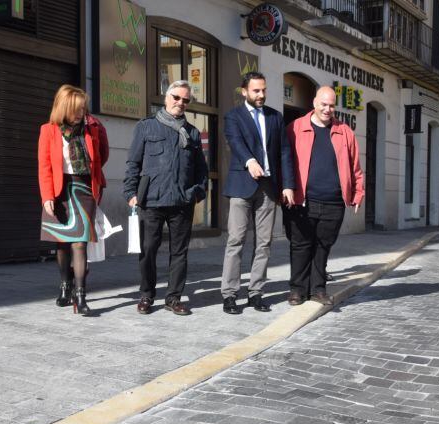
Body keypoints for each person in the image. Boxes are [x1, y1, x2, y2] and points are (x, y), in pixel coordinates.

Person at [123, 80, 208, 315]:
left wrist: (196, 193)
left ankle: (173, 298)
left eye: (185, 100)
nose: (180, 103)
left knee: (179, 253)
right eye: (176, 97)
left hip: (182, 202)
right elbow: (133, 163)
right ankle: (147, 295)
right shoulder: (146, 127)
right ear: (166, 97)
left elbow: (201, 170)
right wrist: (130, 193)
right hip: (151, 200)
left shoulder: (192, 132)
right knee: (148, 249)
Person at [220, 72, 295, 315]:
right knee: (236, 240)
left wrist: (287, 184)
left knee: (264, 243)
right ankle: (230, 294)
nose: (261, 94)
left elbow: (284, 152)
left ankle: (255, 293)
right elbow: (235, 142)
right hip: (241, 186)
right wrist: (249, 160)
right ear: (244, 91)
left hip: (268, 188)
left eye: (263, 90)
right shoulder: (233, 116)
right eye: (256, 91)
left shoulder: (275, 117)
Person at [285, 86, 364, 306]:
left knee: (323, 247)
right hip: (302, 200)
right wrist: (285, 188)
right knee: (300, 246)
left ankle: (318, 289)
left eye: (331, 105)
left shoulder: (345, 132)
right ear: (314, 103)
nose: (327, 109)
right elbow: (285, 160)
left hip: (333, 202)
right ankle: (297, 290)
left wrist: (358, 193)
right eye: (324, 104)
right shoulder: (295, 128)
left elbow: (355, 166)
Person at [38, 84, 108, 316]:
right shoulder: (48, 130)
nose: (80, 113)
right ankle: (65, 286)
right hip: (59, 191)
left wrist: (94, 177)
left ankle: (81, 296)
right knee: (62, 243)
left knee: (80, 243)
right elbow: (44, 166)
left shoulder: (92, 128)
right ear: (64, 107)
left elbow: (103, 155)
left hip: (84, 188)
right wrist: (47, 196)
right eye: (76, 109)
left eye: (83, 108)